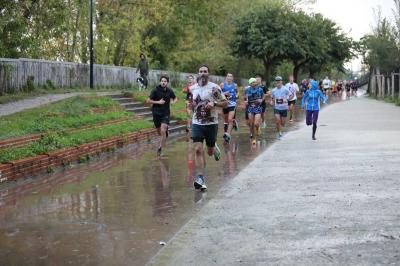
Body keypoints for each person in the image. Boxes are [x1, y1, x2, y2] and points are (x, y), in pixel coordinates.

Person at [191, 64, 228, 191]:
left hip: (211, 123)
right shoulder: (193, 88)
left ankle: (214, 147)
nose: (203, 73)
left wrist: (214, 103)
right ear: (198, 73)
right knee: (197, 149)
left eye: (205, 71)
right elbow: (193, 103)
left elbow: (225, 103)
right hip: (197, 123)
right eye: (201, 71)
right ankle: (200, 177)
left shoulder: (214, 88)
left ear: (208, 73)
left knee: (209, 151)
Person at [146, 76, 177, 157]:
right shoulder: (155, 90)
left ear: (167, 82)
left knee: (163, 130)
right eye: (162, 81)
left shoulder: (169, 90)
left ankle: (160, 148)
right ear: (160, 82)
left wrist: (173, 102)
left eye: (165, 81)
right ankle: (165, 133)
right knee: (159, 132)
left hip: (165, 113)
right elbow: (148, 101)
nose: (163, 82)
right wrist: (158, 102)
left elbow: (175, 98)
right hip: (156, 113)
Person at [244, 78, 265, 145]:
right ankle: (254, 139)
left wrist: (261, 100)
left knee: (256, 123)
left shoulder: (260, 89)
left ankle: (258, 127)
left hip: (258, 107)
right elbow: (245, 98)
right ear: (250, 84)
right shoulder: (247, 90)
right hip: (250, 108)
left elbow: (263, 96)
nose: (255, 83)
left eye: (255, 82)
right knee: (251, 124)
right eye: (253, 82)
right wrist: (245, 101)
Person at [220, 73, 238, 143]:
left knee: (230, 119)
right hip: (225, 104)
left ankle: (227, 135)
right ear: (226, 77)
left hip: (232, 104)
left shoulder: (235, 85)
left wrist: (236, 96)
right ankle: (233, 124)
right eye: (228, 76)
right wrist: (224, 94)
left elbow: (237, 93)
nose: (229, 77)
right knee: (226, 121)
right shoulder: (222, 85)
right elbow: (218, 94)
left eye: (231, 76)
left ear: (232, 78)